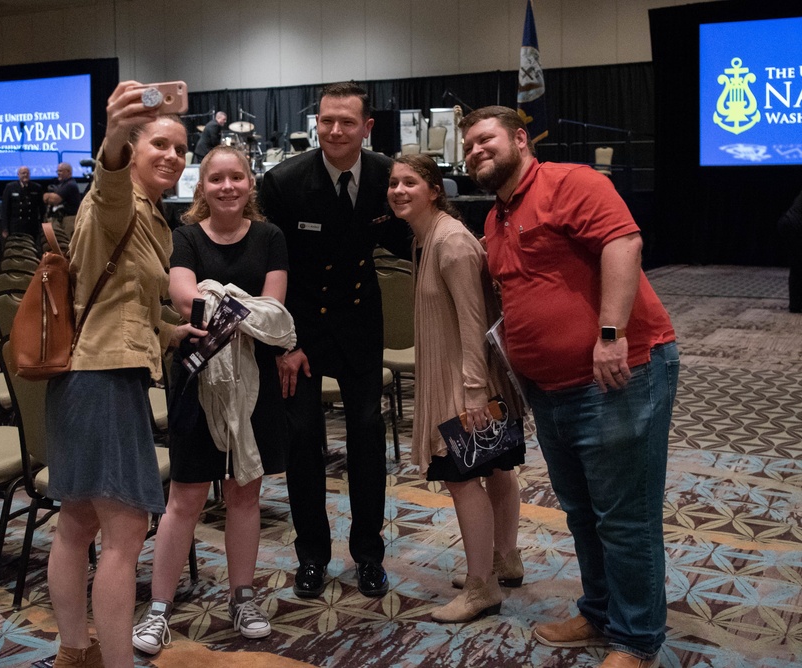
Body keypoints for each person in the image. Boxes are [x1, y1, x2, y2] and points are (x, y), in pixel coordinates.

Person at [460, 106, 678, 668]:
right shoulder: (495, 218)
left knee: (625, 518)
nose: (475, 151)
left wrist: (610, 334)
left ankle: (635, 640)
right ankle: (600, 612)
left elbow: (623, 244)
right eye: (468, 146)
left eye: (486, 140)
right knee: (583, 514)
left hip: (616, 374)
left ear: (520, 139)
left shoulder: (570, 182)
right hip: (550, 390)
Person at [44, 82, 203, 668]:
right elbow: (107, 180)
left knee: (77, 521)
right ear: (132, 150)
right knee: (126, 534)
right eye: (159, 143)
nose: (172, 156)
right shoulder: (114, 202)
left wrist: (171, 332)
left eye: (182, 149)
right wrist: (112, 133)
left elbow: (119, 303)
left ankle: (74, 651)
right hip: (103, 382)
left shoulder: (152, 218)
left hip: (87, 376)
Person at [132, 145, 293, 655]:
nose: (227, 186)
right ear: (201, 188)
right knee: (185, 498)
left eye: (236, 178)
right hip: (196, 380)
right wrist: (242, 308)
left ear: (251, 184)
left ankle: (241, 596)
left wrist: (222, 299)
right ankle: (159, 608)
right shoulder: (184, 237)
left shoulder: (271, 237)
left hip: (255, 384)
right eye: (216, 179)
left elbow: (276, 313)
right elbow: (187, 300)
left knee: (245, 492)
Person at [258, 82, 412, 600]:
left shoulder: (388, 177)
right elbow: (272, 268)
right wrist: (284, 343)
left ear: (367, 127)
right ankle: (312, 556)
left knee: (367, 438)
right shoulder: (283, 181)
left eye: (346, 122)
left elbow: (413, 238)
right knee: (303, 441)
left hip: (359, 325)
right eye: (326, 121)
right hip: (299, 332)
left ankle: (369, 555)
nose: (334, 131)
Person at [388, 154, 525, 623]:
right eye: (393, 183)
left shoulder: (450, 243)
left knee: (463, 479)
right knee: (497, 470)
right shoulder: (427, 239)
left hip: (465, 382)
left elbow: (474, 324)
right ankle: (503, 558)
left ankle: (481, 585)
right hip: (465, 378)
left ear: (434, 189)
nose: (398, 190)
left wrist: (471, 392)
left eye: (410, 182)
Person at [777, 185, 802, 313]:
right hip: (794, 227)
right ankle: (796, 305)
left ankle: (795, 305)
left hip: (787, 224)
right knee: (798, 266)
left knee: (797, 266)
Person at [2, 165, 44, 240]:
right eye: (23, 173)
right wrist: (5, 228)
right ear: (18, 175)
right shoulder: (10, 187)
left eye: (27, 173)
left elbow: (42, 208)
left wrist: (43, 225)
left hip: (31, 225)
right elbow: (5, 209)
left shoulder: (36, 187)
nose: (25, 175)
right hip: (15, 225)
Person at [44, 162, 82, 238]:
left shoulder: (70, 184)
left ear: (68, 172)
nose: (58, 173)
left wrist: (47, 196)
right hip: (62, 219)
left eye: (60, 171)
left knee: (67, 243)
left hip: (69, 220)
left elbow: (55, 200)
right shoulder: (62, 184)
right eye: (57, 171)